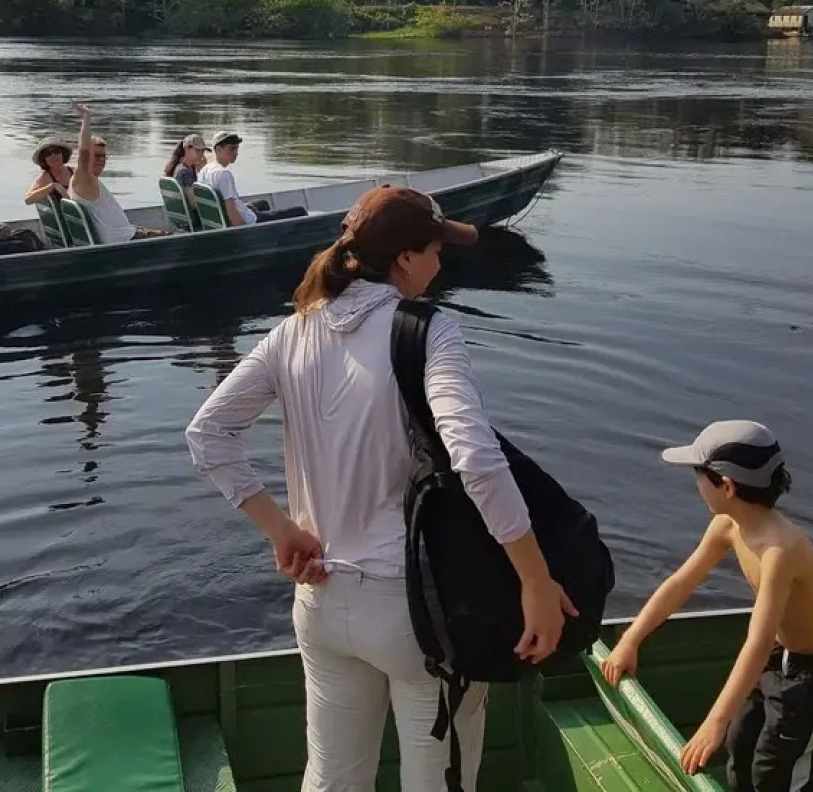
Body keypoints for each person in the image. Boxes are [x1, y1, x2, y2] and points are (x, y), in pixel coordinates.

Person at [185, 185, 574, 791]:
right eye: (435, 250)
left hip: (321, 604)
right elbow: (472, 456)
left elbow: (208, 434)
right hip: (416, 611)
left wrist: (283, 529)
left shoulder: (292, 332)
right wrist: (534, 579)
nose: (441, 263)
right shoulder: (428, 331)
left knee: (332, 779)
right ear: (406, 260)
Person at [600, 420, 813, 791]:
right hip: (780, 657)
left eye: (699, 475)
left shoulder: (780, 550)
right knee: (743, 745)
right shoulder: (727, 525)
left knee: (778, 771)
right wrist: (630, 639)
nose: (697, 484)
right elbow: (679, 584)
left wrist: (714, 720)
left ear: (727, 486)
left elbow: (758, 640)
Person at [63, 103, 168, 242]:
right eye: (97, 155)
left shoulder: (87, 180)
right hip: (121, 240)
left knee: (162, 232)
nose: (101, 160)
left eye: (103, 156)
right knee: (175, 238)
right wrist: (87, 118)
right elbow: (83, 152)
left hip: (125, 233)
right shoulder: (84, 179)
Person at [197, 130, 308, 226]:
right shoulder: (224, 174)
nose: (236, 153)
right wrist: (246, 230)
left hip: (231, 216)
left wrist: (244, 207)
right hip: (251, 221)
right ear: (218, 150)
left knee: (263, 203)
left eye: (236, 148)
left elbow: (226, 204)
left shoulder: (204, 170)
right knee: (300, 211)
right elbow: (231, 211)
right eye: (231, 149)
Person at [163, 133, 209, 211]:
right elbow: (194, 204)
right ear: (186, 149)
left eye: (203, 151)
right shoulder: (185, 172)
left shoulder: (185, 167)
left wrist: (201, 170)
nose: (201, 154)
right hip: (191, 216)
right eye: (197, 150)